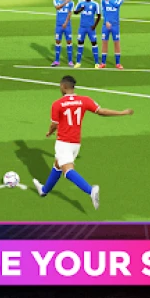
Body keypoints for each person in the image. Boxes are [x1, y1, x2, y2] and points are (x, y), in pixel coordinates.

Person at [32, 75, 134, 210]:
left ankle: (90, 190)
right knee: (57, 165)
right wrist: (122, 112)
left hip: (63, 142)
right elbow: (101, 111)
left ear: (63, 86)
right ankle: (44, 190)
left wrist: (49, 132)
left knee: (67, 170)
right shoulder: (84, 100)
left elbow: (54, 124)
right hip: (76, 143)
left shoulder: (57, 104)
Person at [73, 0, 101, 69]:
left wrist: (95, 26)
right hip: (82, 27)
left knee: (94, 43)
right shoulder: (80, 3)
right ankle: (78, 62)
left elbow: (99, 15)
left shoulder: (95, 4)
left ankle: (96, 63)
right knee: (80, 43)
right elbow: (75, 12)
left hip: (91, 28)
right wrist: (80, 10)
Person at [100, 0, 124, 69]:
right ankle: (103, 63)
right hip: (105, 25)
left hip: (115, 25)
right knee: (104, 43)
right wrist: (106, 21)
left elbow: (116, 5)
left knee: (116, 43)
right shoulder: (103, 1)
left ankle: (118, 63)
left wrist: (109, 0)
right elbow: (104, 11)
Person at [52, 0, 74, 67]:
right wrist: (65, 2)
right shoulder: (56, 1)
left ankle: (70, 61)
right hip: (58, 25)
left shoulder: (71, 3)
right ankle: (57, 61)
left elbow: (69, 13)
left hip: (67, 25)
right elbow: (57, 8)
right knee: (58, 41)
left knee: (69, 42)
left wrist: (66, 23)